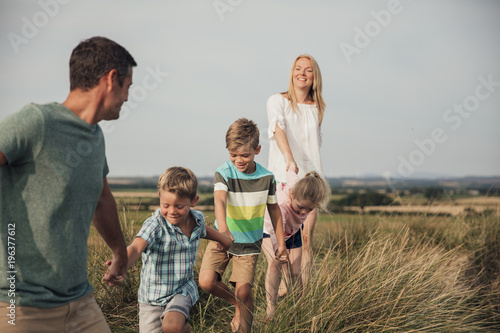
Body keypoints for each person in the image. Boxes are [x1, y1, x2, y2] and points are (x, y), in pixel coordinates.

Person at [0, 36, 136, 332]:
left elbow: (102, 198)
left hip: (81, 303)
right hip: (19, 305)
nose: (127, 96)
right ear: (111, 79)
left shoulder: (95, 136)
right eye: (128, 86)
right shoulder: (36, 122)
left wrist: (119, 254)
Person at [107, 167, 233, 333]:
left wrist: (224, 240)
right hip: (151, 299)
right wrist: (120, 263)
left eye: (179, 206)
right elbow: (136, 247)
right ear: (160, 197)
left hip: (181, 290)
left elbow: (205, 231)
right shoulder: (155, 225)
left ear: (193, 201)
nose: (172, 211)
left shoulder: (196, 220)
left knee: (172, 326)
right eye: (166, 205)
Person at [198, 118, 288, 333]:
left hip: (249, 244)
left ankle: (245, 325)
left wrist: (281, 243)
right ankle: (238, 305)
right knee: (206, 282)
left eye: (245, 155)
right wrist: (223, 231)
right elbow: (219, 200)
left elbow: (274, 210)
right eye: (233, 154)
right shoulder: (224, 172)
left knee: (245, 292)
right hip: (223, 238)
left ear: (257, 150)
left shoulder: (267, 177)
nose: (239, 160)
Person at [266, 54, 326, 294]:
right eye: (298, 68)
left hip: (311, 183)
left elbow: (314, 145)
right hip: (283, 177)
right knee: (280, 242)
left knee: (306, 241)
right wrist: (289, 159)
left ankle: (301, 297)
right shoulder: (277, 100)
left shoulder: (318, 107)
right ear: (292, 73)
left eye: (308, 70)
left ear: (315, 77)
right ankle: (278, 293)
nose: (302, 73)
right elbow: (277, 129)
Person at [262, 170, 330, 319]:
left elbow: (291, 173)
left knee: (295, 271)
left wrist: (291, 165)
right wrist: (280, 249)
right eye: (300, 207)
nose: (303, 212)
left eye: (309, 209)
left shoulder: (298, 187)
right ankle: (270, 308)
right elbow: (275, 230)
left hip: (293, 232)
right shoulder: (281, 206)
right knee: (275, 263)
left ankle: (299, 306)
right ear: (292, 194)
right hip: (271, 230)